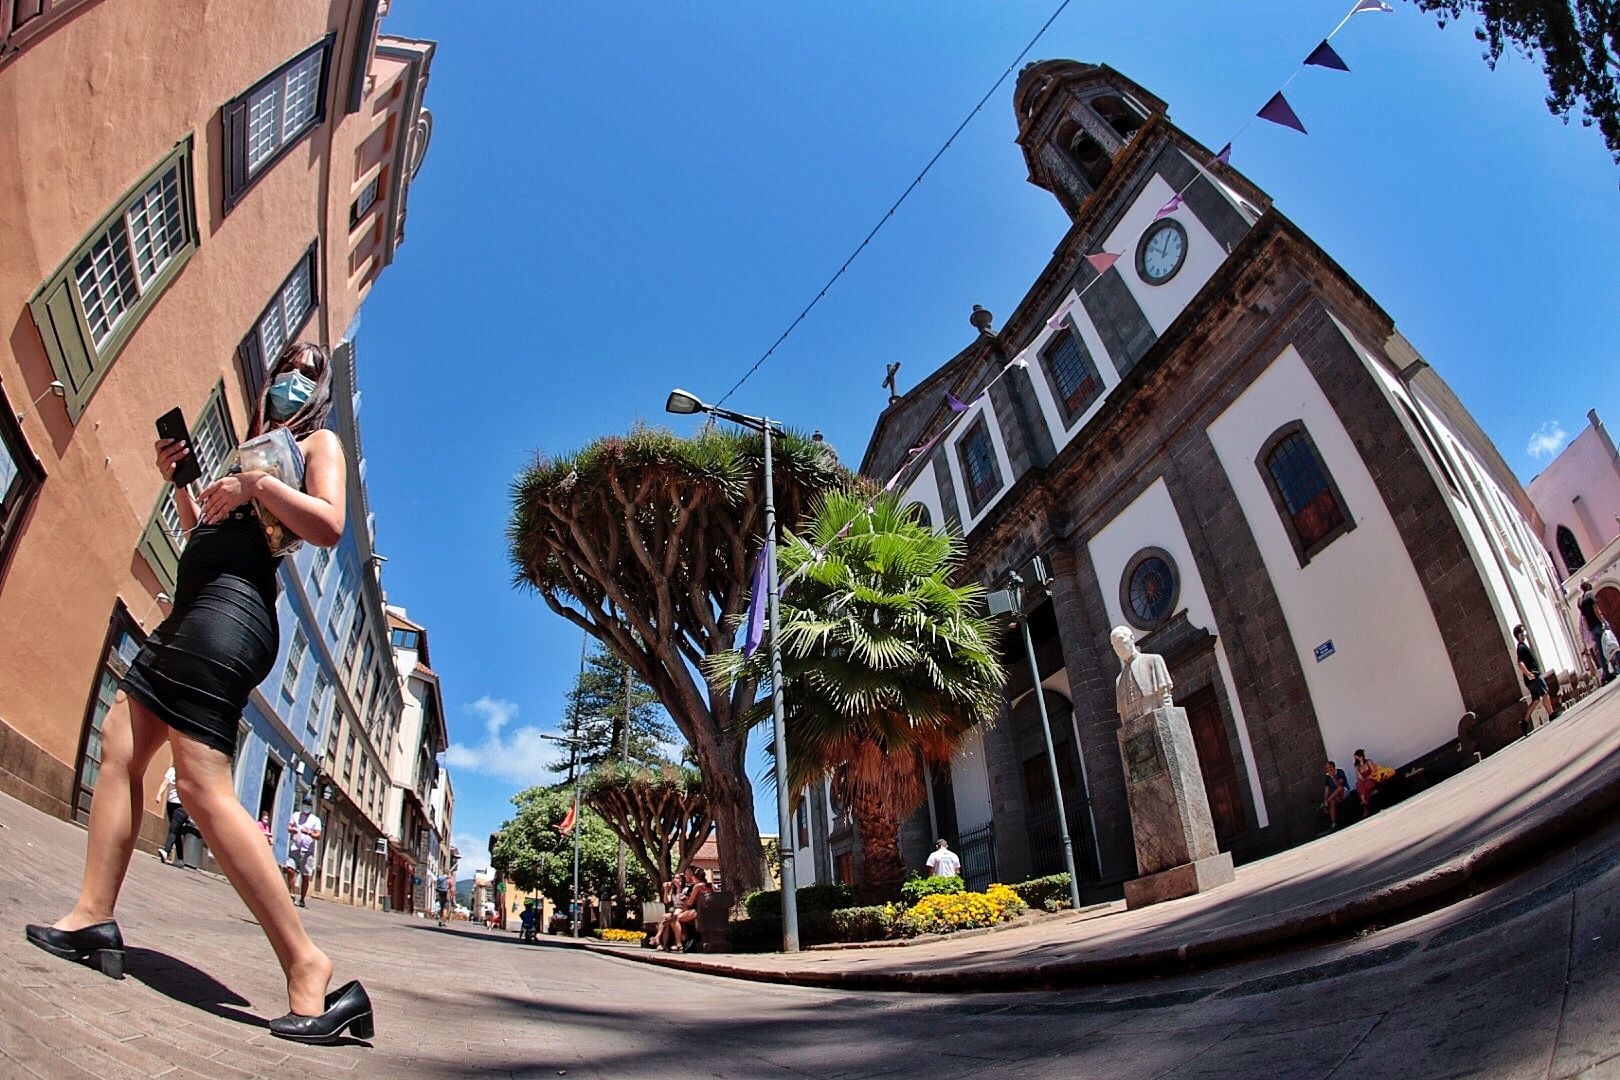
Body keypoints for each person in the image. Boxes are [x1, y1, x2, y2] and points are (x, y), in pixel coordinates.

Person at [25, 343, 371, 1045]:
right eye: (286, 368)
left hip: (233, 613)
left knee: (203, 785)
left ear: (320, 389)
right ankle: (93, 916)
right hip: (195, 602)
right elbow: (200, 531)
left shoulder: (316, 442)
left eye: (310, 370)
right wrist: (183, 481)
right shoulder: (251, 448)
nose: (295, 378)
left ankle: (311, 970)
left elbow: (328, 525)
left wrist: (258, 488)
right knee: (121, 745)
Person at [1514, 624, 1561, 730]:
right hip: (1533, 676)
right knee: (1545, 693)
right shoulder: (1521, 647)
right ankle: (1551, 714)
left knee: (1535, 700)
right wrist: (1528, 674)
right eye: (1522, 631)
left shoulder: (1522, 646)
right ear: (1518, 635)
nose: (1524, 633)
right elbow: (1520, 663)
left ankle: (1524, 721)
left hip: (1530, 679)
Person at [284, 795, 323, 908]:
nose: (306, 806)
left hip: (307, 852)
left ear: (311, 806)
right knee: (290, 869)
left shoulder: (315, 820)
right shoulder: (296, 815)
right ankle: (291, 894)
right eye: (305, 804)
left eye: (309, 805)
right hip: (295, 847)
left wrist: (309, 833)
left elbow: (318, 835)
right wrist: (294, 829)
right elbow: (289, 827)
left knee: (305, 876)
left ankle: (302, 899)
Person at [668, 867, 714, 953]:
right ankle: (683, 938)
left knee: (676, 919)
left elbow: (690, 903)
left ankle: (679, 943)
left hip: (699, 911)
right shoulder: (708, 885)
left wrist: (685, 899)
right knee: (678, 917)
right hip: (710, 911)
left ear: (694, 876)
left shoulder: (697, 886)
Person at [1578, 581, 1614, 683]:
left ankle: (1606, 672)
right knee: (1611, 644)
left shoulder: (1582, 601)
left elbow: (1584, 619)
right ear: (1588, 586)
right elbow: (1596, 609)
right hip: (1598, 625)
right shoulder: (1590, 595)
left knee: (1601, 652)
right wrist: (1602, 621)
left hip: (1593, 629)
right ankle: (1616, 666)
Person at [153, 764, 188, 865]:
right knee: (176, 830)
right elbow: (164, 783)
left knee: (173, 827)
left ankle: (166, 851)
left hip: (183, 806)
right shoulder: (172, 770)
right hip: (171, 804)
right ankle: (180, 859)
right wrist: (159, 795)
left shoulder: (189, 772)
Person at [1352, 749, 1395, 818]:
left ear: (1361, 756)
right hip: (1364, 781)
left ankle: (1365, 807)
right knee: (1359, 784)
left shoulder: (1368, 762)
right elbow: (1359, 777)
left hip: (1371, 779)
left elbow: (1373, 771)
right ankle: (1363, 800)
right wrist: (1362, 778)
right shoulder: (1357, 766)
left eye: (1357, 757)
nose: (1356, 759)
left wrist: (1367, 777)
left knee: (1364, 788)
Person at [1321, 760, 1351, 828]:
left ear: (1332, 767)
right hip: (1335, 795)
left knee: (1339, 788)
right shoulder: (1327, 778)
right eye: (1326, 768)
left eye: (1328, 768)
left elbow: (1339, 785)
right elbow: (1326, 791)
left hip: (1344, 792)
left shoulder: (1340, 772)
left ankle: (1324, 805)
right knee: (1332, 802)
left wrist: (1332, 777)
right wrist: (1325, 799)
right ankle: (1333, 822)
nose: (1327, 770)